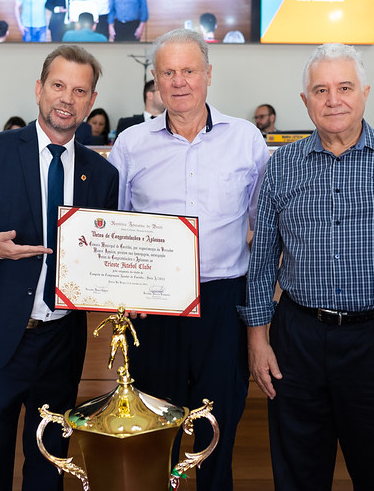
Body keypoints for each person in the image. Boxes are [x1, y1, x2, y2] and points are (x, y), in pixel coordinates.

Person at [240, 43, 374, 491]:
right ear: (305, 102)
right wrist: (258, 343)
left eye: (344, 87)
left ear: (364, 93)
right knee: (298, 475)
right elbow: (261, 261)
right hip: (296, 342)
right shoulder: (281, 165)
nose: (333, 100)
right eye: (320, 90)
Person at [0, 45, 119, 491]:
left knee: (49, 463)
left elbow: (106, 256)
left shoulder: (102, 173)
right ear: (39, 90)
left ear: (91, 101)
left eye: (79, 90)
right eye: (58, 86)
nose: (66, 99)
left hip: (61, 342)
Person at [108, 29, 270, 491]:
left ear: (208, 75)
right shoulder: (131, 145)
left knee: (218, 424)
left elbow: (265, 227)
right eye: (168, 72)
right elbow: (114, 227)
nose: (179, 82)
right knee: (153, 428)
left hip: (224, 304)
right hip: (154, 308)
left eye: (189, 70)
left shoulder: (247, 140)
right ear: (156, 81)